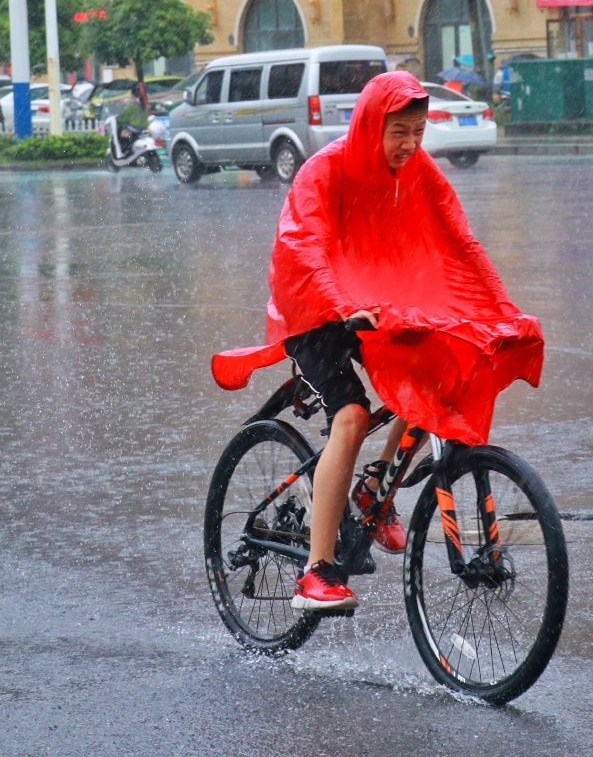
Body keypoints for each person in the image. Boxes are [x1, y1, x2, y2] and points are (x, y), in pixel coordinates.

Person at [210, 71, 543, 611]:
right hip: (315, 307)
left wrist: (503, 312)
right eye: (399, 132)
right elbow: (305, 247)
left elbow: (461, 242)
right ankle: (316, 571)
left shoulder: (419, 170)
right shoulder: (325, 170)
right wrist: (342, 309)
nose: (410, 144)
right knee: (352, 416)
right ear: (371, 125)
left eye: (418, 130)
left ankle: (375, 487)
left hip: (377, 303)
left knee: (440, 374)